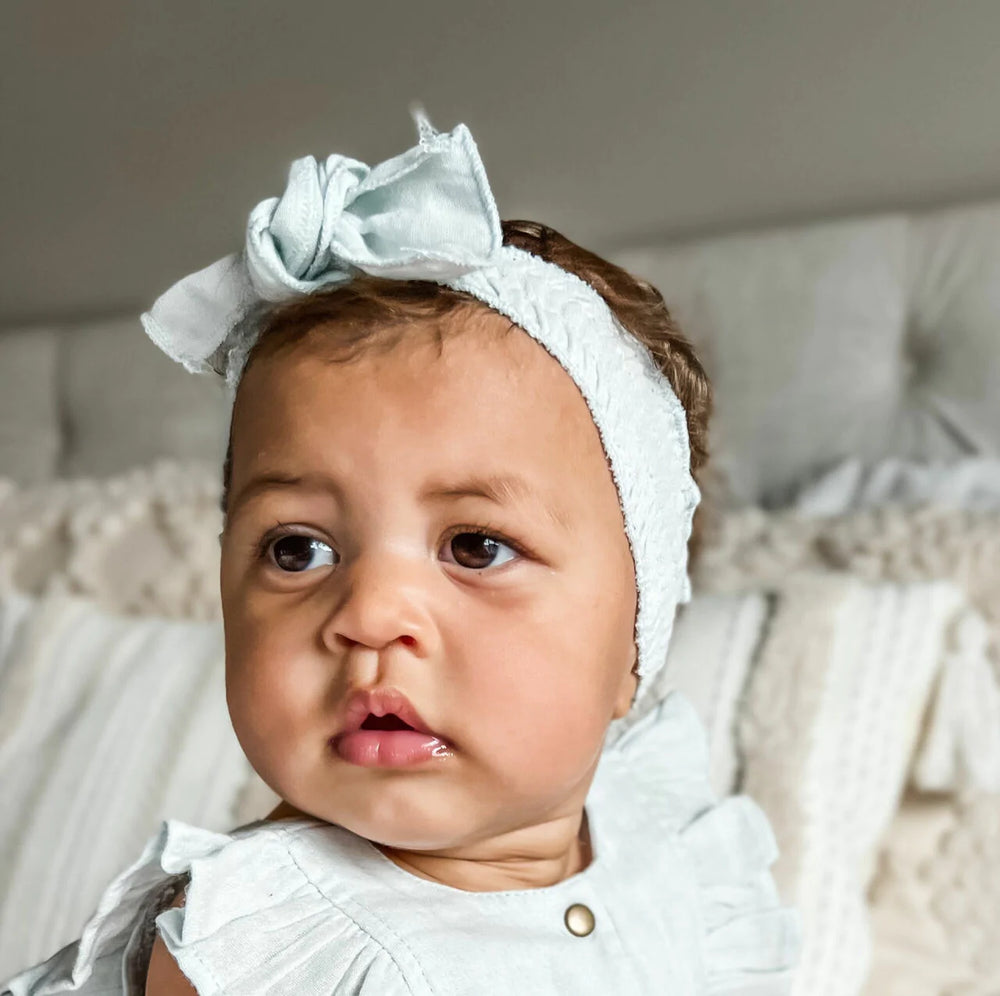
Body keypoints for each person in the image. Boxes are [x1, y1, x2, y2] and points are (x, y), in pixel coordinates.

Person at [3, 106, 801, 995]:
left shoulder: (670, 854)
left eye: (474, 545)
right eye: (299, 550)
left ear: (638, 633)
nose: (370, 613)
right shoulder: (261, 949)